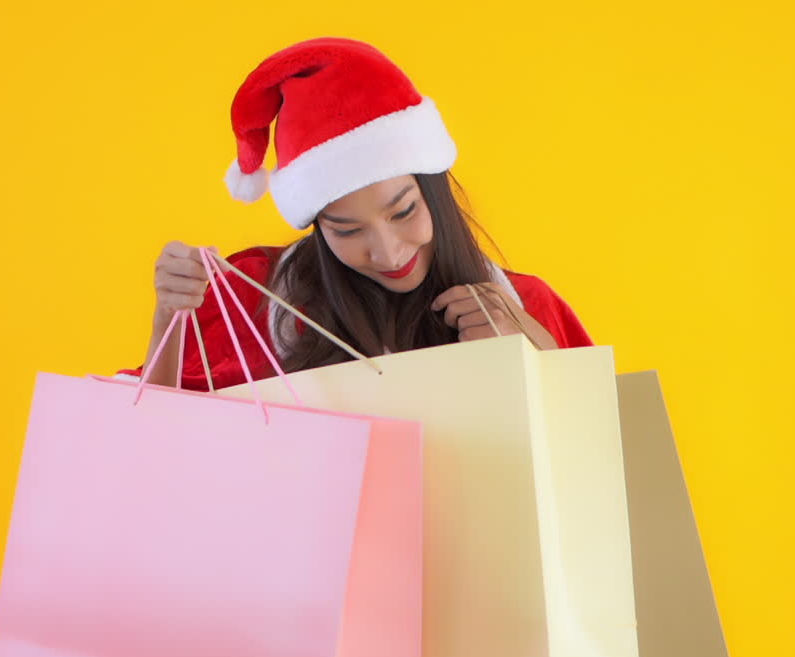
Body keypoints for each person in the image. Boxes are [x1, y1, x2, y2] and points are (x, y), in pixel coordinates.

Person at [120, 36, 593, 392]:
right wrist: (169, 318)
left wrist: (534, 353)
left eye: (404, 211)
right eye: (346, 229)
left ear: (435, 191)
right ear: (317, 226)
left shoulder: (526, 304)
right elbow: (155, 436)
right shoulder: (252, 295)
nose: (387, 251)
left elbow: (606, 458)